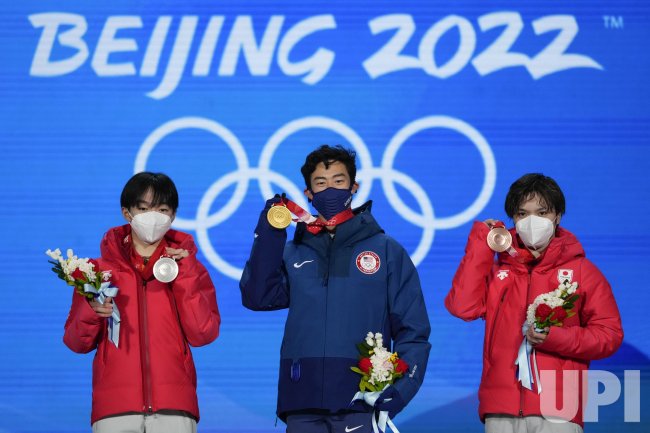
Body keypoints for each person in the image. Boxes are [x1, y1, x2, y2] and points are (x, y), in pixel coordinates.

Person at [239, 145, 431, 433]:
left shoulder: (387, 251)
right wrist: (270, 233)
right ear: (308, 194)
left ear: (354, 187)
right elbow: (257, 297)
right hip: (301, 399)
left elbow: (412, 329)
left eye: (338, 182)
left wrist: (404, 387)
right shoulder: (292, 252)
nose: (330, 190)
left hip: (361, 399)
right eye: (321, 183)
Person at [445, 173, 623, 433]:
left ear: (558, 216)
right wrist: (482, 244)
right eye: (522, 214)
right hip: (501, 408)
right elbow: (462, 306)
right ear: (513, 219)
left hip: (558, 410)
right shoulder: (499, 272)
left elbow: (609, 335)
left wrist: (555, 337)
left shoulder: (582, 272)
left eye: (542, 213)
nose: (532, 222)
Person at [63, 172, 221, 433]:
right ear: (127, 213)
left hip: (174, 404)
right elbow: (75, 342)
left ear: (173, 215)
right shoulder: (96, 272)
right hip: (115, 407)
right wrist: (92, 313)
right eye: (144, 208)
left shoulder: (190, 268)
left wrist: (184, 274)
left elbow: (203, 333)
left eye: (162, 209)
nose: (154, 217)